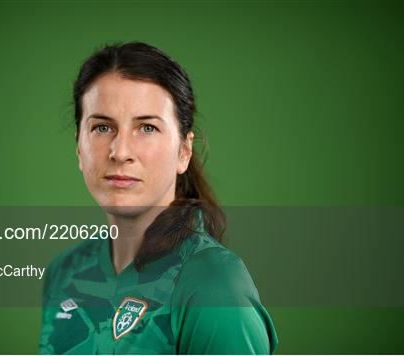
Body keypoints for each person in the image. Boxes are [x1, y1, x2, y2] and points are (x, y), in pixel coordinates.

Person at [39, 41, 278, 354]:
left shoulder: (213, 286)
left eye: (147, 127)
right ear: (79, 148)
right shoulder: (64, 273)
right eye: (102, 127)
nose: (120, 151)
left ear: (184, 151)